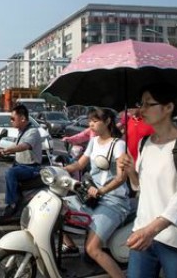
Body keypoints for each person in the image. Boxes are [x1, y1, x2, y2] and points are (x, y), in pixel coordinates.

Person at [119, 83, 177, 278]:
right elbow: (141, 188)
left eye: (149, 104)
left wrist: (151, 230)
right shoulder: (144, 143)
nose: (142, 109)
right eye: (141, 104)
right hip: (143, 235)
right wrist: (131, 171)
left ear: (168, 108)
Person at [64, 108, 129, 278]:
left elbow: (122, 178)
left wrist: (102, 190)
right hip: (91, 196)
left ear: (107, 121)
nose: (90, 124)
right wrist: (59, 171)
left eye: (95, 120)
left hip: (113, 201)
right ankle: (70, 248)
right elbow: (79, 165)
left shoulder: (118, 144)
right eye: (89, 121)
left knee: (92, 248)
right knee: (57, 210)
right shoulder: (93, 142)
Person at [0, 103, 42, 217]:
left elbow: (24, 146)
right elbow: (16, 145)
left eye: (13, 118)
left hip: (31, 168)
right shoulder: (22, 131)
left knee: (10, 173)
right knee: (11, 171)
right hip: (21, 166)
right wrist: (1, 149)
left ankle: (12, 204)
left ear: (22, 118)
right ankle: (18, 199)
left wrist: (6, 150)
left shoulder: (32, 132)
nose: (11, 121)